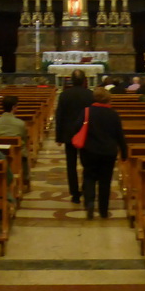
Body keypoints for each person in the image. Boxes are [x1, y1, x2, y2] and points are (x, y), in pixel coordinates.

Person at [72, 87, 127, 219]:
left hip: (89, 150)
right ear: (108, 99)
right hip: (108, 152)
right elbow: (120, 135)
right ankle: (103, 210)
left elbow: (76, 127)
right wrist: (124, 151)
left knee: (89, 176)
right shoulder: (113, 114)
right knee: (105, 181)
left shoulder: (87, 112)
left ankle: (90, 202)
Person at [55, 69, 94, 204]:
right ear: (85, 80)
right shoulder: (90, 94)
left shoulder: (65, 95)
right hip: (86, 133)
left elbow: (59, 116)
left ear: (71, 80)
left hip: (69, 134)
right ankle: (86, 188)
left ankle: (74, 194)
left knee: (71, 165)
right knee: (88, 163)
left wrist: (58, 137)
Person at [0, 95, 30, 182]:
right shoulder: (20, 123)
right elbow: (25, 140)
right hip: (17, 157)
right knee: (24, 150)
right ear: (13, 107)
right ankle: (25, 178)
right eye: (17, 106)